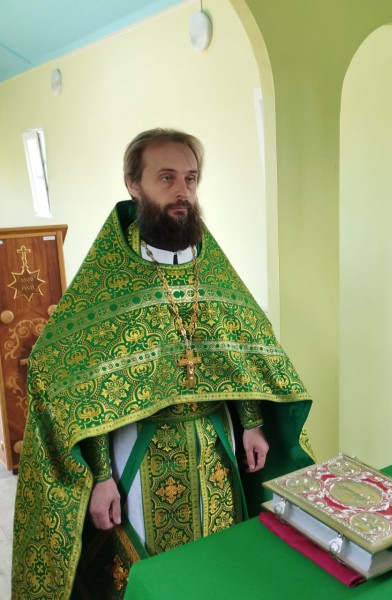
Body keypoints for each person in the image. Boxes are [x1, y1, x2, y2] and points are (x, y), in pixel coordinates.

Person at [11, 128, 314, 600]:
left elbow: (243, 350)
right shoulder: (108, 281)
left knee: (219, 565)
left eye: (190, 179)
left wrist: (253, 424)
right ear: (134, 184)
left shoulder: (211, 268)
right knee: (150, 574)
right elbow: (79, 388)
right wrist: (100, 477)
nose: (182, 192)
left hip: (214, 450)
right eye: (167, 178)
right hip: (137, 457)